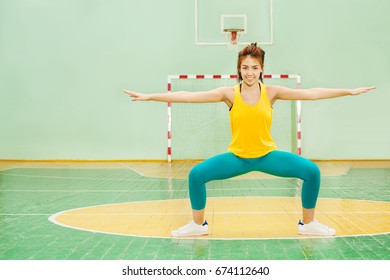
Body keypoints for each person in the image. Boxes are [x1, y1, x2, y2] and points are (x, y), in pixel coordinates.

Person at [124, 43, 376, 237]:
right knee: (196, 175)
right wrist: (149, 97)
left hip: (267, 156)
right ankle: (198, 225)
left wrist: (349, 91)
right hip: (238, 158)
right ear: (239, 69)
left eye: (255, 67)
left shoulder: (272, 92)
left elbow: (311, 93)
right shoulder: (229, 93)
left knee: (311, 171)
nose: (250, 72)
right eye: (245, 67)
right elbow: (189, 96)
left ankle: (308, 224)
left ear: (262, 69)